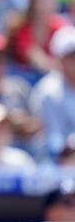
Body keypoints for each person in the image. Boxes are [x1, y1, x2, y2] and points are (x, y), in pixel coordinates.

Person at [30, 25, 75, 158]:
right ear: (60, 59)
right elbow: (55, 140)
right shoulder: (48, 91)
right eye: (71, 57)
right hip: (57, 160)